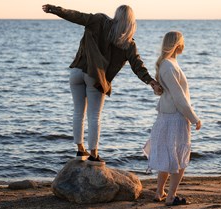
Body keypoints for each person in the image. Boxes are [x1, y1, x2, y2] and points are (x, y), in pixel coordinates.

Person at [42, 4, 162, 166]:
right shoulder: (128, 43)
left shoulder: (98, 20)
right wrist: (151, 82)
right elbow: (137, 66)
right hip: (95, 77)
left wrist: (55, 9)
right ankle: (94, 156)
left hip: (76, 71)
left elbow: (76, 15)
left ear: (116, 15)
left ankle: (80, 150)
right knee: (94, 116)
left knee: (78, 112)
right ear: (131, 22)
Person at [143, 31, 202, 206]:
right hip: (175, 117)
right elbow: (179, 97)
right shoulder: (169, 66)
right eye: (183, 42)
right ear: (178, 44)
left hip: (167, 116)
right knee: (179, 156)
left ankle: (160, 192)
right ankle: (171, 197)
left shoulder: (168, 64)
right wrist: (194, 118)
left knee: (168, 154)